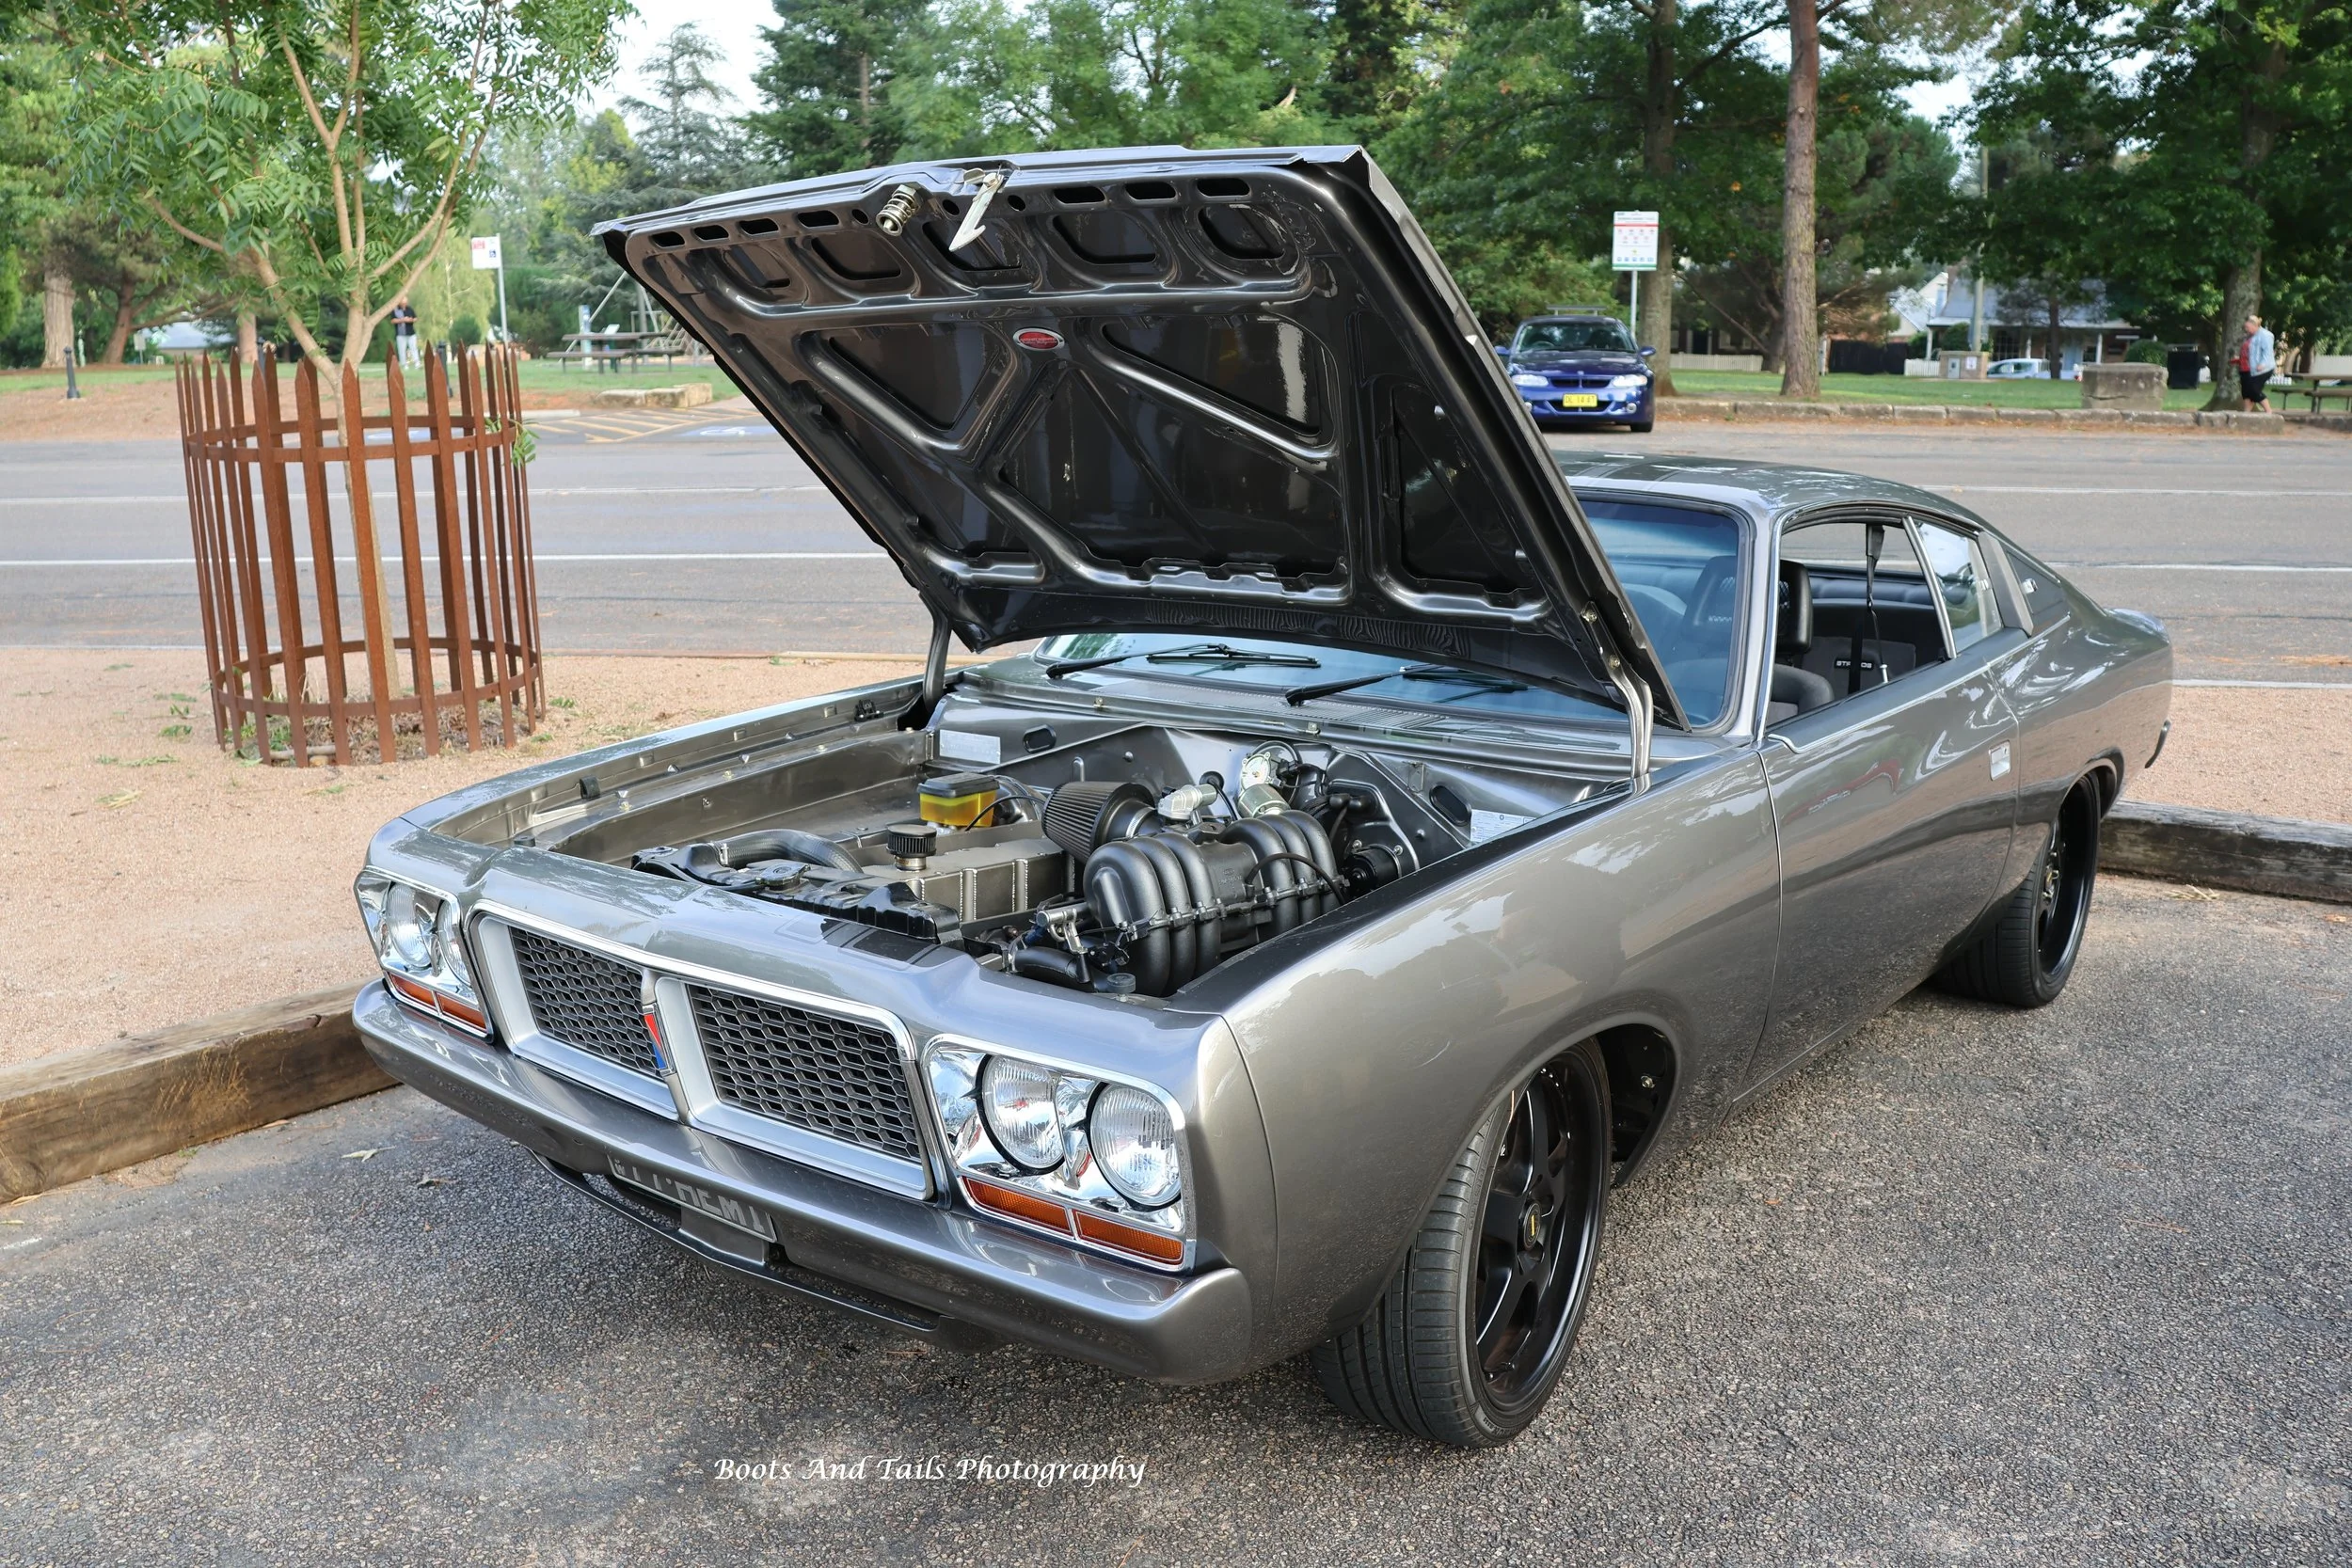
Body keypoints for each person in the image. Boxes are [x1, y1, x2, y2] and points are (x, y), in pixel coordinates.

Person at [2238, 313, 2276, 412]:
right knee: (2246, 391)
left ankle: (2268, 411)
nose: (2246, 329)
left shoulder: (2266, 335)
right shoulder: (2250, 336)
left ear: (2255, 325)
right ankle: (2246, 413)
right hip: (2247, 368)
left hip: (2262, 369)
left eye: (2248, 327)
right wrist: (2239, 359)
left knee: (2254, 390)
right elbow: (2249, 352)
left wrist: (2262, 364)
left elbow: (2267, 352)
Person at [390, 294, 420, 370]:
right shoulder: (396, 310)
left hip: (411, 333)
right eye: (403, 302)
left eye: (405, 302)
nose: (404, 304)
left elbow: (415, 318)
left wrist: (411, 320)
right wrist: (403, 320)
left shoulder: (409, 309)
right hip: (401, 334)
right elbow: (393, 320)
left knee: (413, 348)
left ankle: (417, 363)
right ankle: (404, 364)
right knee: (402, 350)